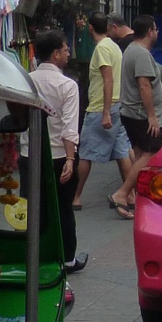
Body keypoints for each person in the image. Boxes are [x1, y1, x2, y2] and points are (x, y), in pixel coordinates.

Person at [28, 29, 89, 273]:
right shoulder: (67, 85)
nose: (68, 53)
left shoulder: (26, 80)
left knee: (34, 207)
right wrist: (71, 158)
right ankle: (67, 259)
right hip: (58, 155)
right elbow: (69, 126)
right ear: (55, 54)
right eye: (65, 49)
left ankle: (36, 255)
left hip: (29, 154)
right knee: (63, 208)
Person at [77, 15, 134, 219]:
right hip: (118, 104)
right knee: (122, 151)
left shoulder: (102, 49)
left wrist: (106, 111)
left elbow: (107, 80)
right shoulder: (114, 46)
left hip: (102, 106)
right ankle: (130, 194)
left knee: (85, 153)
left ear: (90, 28)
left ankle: (76, 196)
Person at [117, 15, 162, 161]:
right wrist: (152, 116)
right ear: (150, 32)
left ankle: (138, 185)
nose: (158, 33)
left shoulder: (131, 49)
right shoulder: (141, 54)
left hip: (131, 113)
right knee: (150, 153)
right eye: (156, 29)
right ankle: (126, 186)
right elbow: (144, 85)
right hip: (141, 115)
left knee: (139, 154)